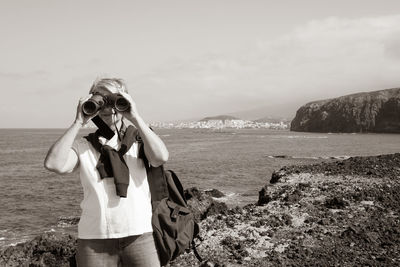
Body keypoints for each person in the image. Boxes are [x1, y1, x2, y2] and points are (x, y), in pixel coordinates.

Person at [44, 78, 168, 267]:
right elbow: (54, 164)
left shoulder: (139, 140)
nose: (109, 107)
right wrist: (79, 121)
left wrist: (134, 116)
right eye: (101, 101)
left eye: (114, 99)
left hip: (140, 235)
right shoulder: (84, 146)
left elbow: (160, 157)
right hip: (94, 239)